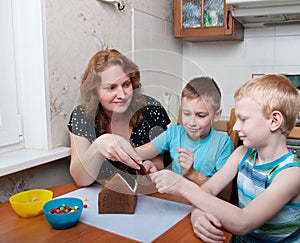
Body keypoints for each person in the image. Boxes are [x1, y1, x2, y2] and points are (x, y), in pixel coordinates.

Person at [150, 74, 300, 242]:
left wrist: (181, 186)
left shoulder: (291, 175)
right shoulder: (242, 153)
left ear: (274, 121)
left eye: (243, 119)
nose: (235, 127)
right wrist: (197, 215)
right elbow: (207, 190)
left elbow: (244, 222)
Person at [98, 77, 234, 199]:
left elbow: (225, 196)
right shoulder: (173, 133)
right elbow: (139, 153)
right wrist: (146, 165)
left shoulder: (223, 143)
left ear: (216, 115)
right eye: (187, 113)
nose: (191, 122)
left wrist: (192, 173)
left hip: (205, 207)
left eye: (201, 115)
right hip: (175, 203)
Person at [68, 49, 171, 187]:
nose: (122, 95)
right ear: (94, 91)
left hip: (147, 196)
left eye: (126, 85)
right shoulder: (82, 116)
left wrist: (151, 168)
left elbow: (159, 162)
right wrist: (98, 147)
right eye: (111, 88)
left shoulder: (151, 110)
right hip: (99, 197)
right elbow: (81, 179)